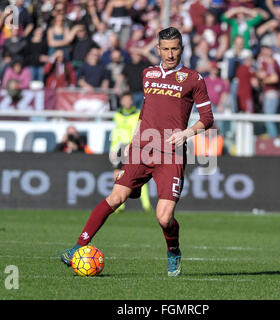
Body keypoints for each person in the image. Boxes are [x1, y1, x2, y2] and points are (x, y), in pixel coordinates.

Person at [59, 27, 214, 277]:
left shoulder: (193, 78)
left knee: (164, 218)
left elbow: (208, 118)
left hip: (170, 155)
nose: (170, 53)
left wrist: (185, 134)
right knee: (115, 197)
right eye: (166, 49)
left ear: (182, 49)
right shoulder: (148, 74)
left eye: (175, 48)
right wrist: (130, 152)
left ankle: (173, 251)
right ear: (158, 49)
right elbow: (145, 112)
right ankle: (78, 246)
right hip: (142, 150)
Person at [109, 92, 153, 213]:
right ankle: (119, 205)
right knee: (117, 175)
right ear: (122, 101)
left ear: (132, 101)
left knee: (139, 175)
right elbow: (116, 132)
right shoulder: (117, 114)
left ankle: (146, 205)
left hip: (134, 147)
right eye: (125, 100)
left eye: (129, 100)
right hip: (120, 147)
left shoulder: (138, 113)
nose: (127, 102)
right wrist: (113, 149)